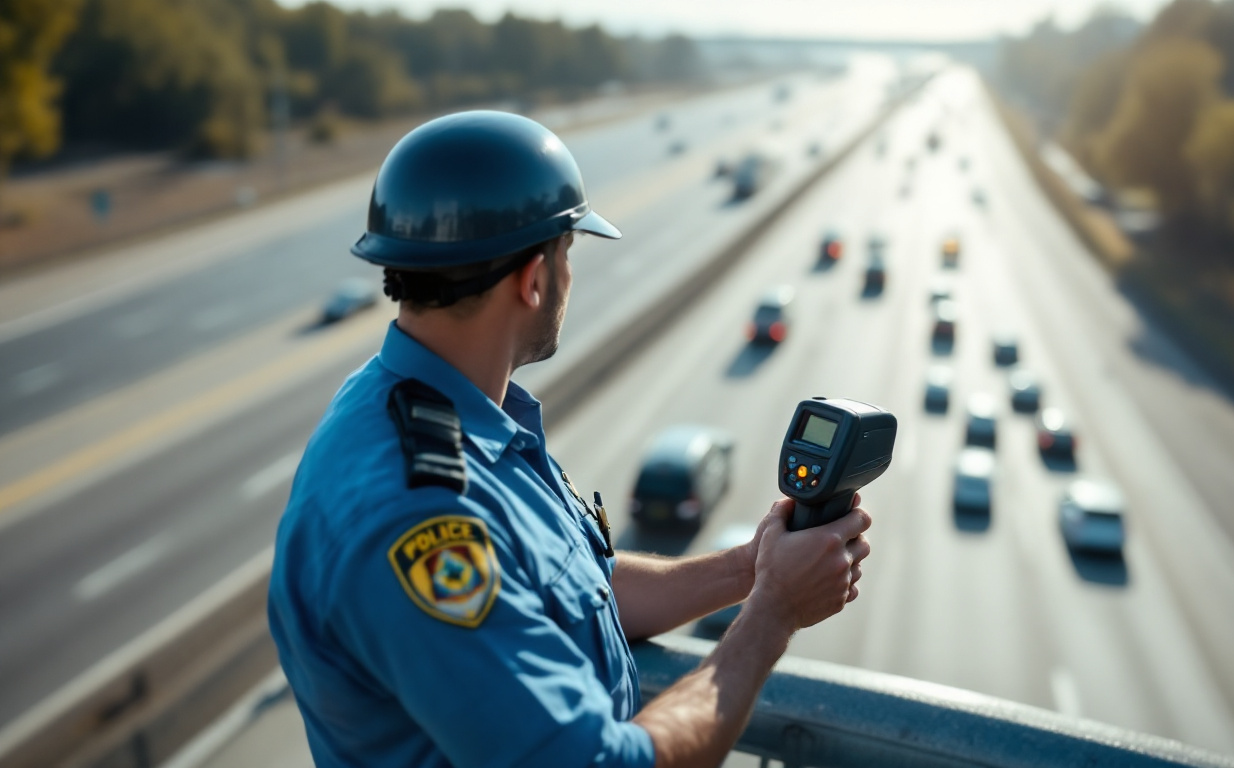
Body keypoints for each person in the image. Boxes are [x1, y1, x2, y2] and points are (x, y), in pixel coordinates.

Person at [268, 110, 873, 768]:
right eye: (569, 253)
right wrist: (772, 616)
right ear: (533, 279)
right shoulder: (419, 515)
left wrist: (748, 568)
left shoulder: (429, 408)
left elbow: (575, 588)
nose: (570, 276)